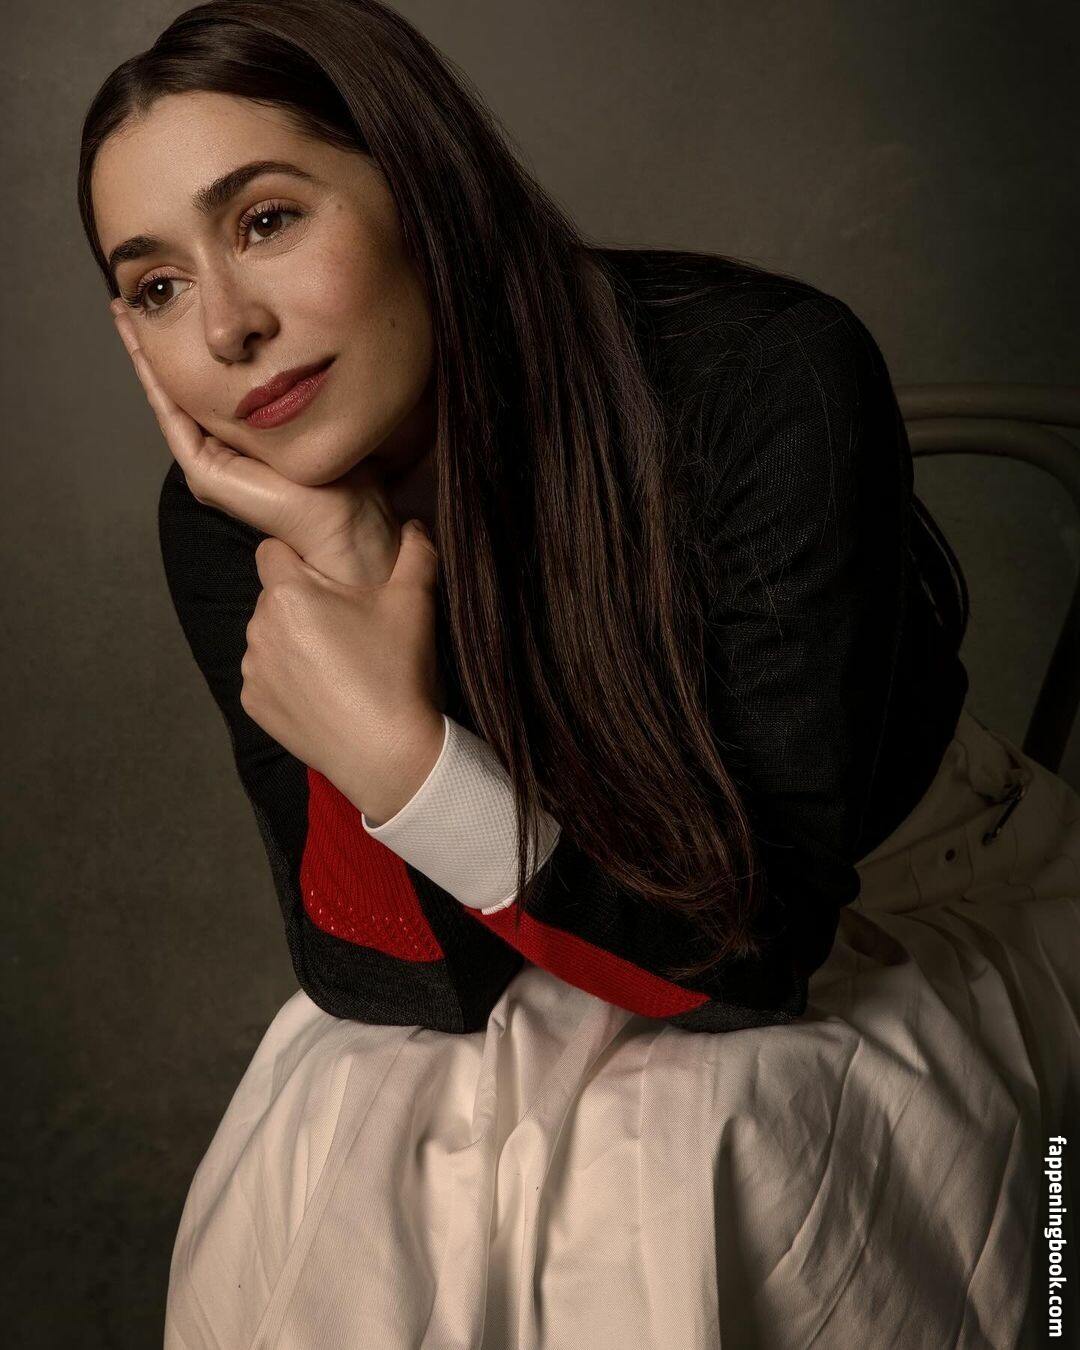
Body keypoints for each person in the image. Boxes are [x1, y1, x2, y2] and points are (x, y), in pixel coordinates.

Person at [79, 2, 1080, 1345]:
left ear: (424, 184)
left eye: (267, 221)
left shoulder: (765, 374)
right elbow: (407, 981)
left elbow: (749, 961)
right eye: (156, 287)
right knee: (337, 1172)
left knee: (678, 1179)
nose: (227, 328)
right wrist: (340, 557)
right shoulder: (231, 516)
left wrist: (403, 756)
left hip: (885, 911)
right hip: (544, 927)